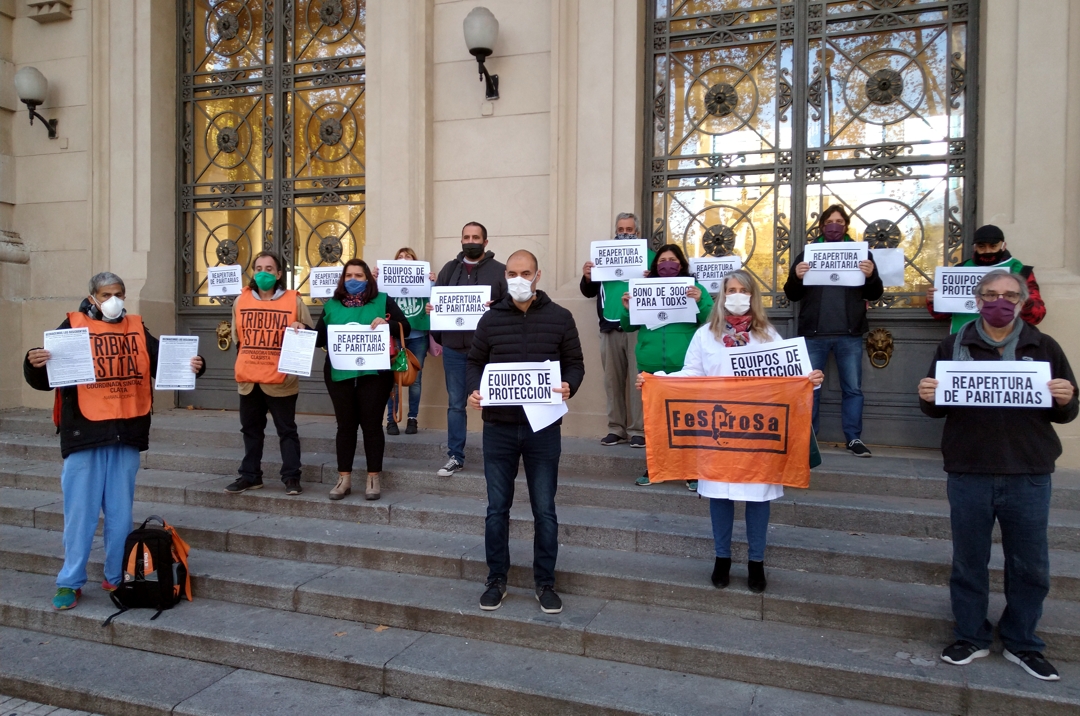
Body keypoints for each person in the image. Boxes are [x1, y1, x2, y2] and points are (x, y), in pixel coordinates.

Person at [919, 269, 1077, 681]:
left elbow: (1067, 410)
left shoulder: (1044, 346)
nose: (999, 301)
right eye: (990, 294)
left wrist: (1065, 398)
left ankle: (1023, 641)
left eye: (1008, 295)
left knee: (1030, 565)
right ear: (977, 300)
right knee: (969, 562)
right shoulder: (953, 345)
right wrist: (928, 397)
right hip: (969, 469)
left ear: (1022, 302)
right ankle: (970, 635)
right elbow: (937, 408)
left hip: (1027, 471)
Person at [23, 272, 206, 610]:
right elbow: (46, 378)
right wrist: (34, 365)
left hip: (124, 436)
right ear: (92, 298)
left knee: (121, 516)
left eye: (119, 293)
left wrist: (195, 365)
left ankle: (116, 575)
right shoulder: (72, 326)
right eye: (106, 294)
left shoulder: (136, 328)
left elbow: (164, 362)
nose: (114, 300)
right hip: (85, 436)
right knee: (81, 515)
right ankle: (70, 581)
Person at [637, 271, 823, 592]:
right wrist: (657, 379)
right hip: (718, 428)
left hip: (757, 429)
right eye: (730, 290)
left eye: (743, 290)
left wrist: (809, 380)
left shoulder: (768, 336)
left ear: (752, 296)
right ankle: (722, 558)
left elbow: (789, 376)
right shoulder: (705, 335)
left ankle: (756, 562)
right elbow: (692, 373)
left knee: (758, 496)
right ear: (722, 296)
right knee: (719, 495)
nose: (736, 295)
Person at [466, 250, 585, 614]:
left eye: (526, 272)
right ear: (505, 275)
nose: (519, 278)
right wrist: (474, 388)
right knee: (496, 509)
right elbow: (474, 362)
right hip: (499, 428)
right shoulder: (489, 319)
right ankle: (496, 579)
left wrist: (569, 385)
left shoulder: (560, 318)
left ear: (538, 275)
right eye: (513, 273)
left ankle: (545, 582)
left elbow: (575, 363)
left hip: (543, 429)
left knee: (544, 509)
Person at [784, 204, 883, 457]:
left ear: (846, 226)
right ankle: (809, 440)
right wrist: (796, 275)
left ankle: (853, 438)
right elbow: (791, 294)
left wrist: (871, 276)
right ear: (821, 226)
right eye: (830, 221)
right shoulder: (807, 254)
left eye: (840, 221)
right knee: (809, 389)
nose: (835, 225)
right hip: (813, 334)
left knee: (852, 389)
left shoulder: (862, 255)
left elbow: (875, 293)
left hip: (848, 334)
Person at [316, 259, 411, 501]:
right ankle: (344, 478)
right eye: (349, 275)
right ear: (342, 278)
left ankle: (373, 478)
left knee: (371, 426)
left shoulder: (382, 300)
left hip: (375, 376)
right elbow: (318, 338)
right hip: (339, 376)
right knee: (345, 426)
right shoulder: (332, 305)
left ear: (368, 278)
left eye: (359, 275)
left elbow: (405, 327)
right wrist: (299, 327)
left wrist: (387, 324)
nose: (354, 280)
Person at [621, 243, 714, 487]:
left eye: (672, 259)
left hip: (685, 367)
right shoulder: (642, 288)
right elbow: (629, 326)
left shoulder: (696, 288)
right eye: (662, 260)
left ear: (681, 264)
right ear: (655, 265)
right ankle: (655, 467)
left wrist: (700, 300)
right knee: (655, 422)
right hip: (650, 366)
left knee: (688, 421)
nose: (667, 264)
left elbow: (712, 320)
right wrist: (626, 310)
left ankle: (691, 471)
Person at [226, 252, 313, 496]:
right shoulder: (240, 301)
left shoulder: (294, 301)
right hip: (249, 380)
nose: (263, 272)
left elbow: (309, 333)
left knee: (287, 430)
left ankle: (292, 477)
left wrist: (302, 327)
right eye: (259, 267)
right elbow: (236, 337)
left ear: (279, 274)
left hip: (281, 381)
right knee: (251, 430)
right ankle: (250, 476)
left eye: (269, 268)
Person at [429, 222, 507, 477]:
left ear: (486, 242)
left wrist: (496, 306)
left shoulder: (500, 271)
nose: (470, 241)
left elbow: (512, 308)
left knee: (494, 403)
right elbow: (437, 300)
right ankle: (455, 456)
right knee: (455, 405)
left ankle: (497, 456)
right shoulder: (449, 270)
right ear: (461, 240)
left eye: (475, 237)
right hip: (454, 349)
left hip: (488, 351)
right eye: (466, 237)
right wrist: (434, 310)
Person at [580, 212, 654, 447]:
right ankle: (616, 428)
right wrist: (587, 276)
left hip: (639, 327)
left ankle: (638, 430)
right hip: (610, 326)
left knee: (638, 380)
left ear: (638, 232)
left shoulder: (651, 257)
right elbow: (589, 292)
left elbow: (665, 286)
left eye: (629, 230)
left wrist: (652, 277)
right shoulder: (603, 256)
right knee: (612, 381)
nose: (624, 233)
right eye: (620, 229)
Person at [926, 224, 1047, 333]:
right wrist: (934, 301)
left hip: (1007, 340)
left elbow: (1037, 315)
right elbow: (941, 316)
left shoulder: (1020, 271)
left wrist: (1023, 301)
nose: (987, 251)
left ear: (1003, 245)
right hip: (963, 338)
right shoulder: (960, 269)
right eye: (981, 246)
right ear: (975, 247)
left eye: (993, 246)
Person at [380, 247, 432, 436]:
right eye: (399, 257)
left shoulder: (425, 282)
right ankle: (391, 419)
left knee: (415, 380)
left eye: (408, 257)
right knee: (392, 379)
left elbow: (435, 300)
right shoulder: (385, 283)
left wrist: (431, 280)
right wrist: (376, 276)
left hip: (418, 337)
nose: (404, 260)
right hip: (394, 338)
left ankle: (412, 418)